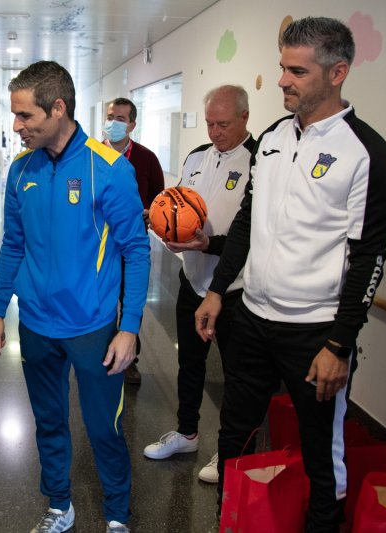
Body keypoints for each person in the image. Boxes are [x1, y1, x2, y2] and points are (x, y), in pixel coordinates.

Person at [195, 17, 386, 531]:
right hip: (252, 319)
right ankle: (232, 519)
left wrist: (340, 344)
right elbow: (246, 220)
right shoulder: (270, 138)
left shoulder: (366, 153)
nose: (283, 80)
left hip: (316, 334)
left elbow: (369, 257)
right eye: (282, 67)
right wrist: (219, 291)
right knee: (234, 435)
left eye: (297, 70)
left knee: (320, 455)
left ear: (337, 73)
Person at [0, 61, 150, 533]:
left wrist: (130, 327)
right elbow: (13, 244)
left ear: (58, 109)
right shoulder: (20, 172)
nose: (17, 127)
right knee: (49, 423)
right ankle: (60, 505)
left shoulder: (109, 170)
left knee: (103, 429)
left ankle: (118, 514)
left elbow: (136, 251)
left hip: (94, 327)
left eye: (25, 116)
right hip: (36, 324)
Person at [143, 85, 254, 485]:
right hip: (192, 282)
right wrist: (158, 219)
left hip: (235, 291)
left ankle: (231, 449)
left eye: (223, 124)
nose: (214, 131)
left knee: (236, 376)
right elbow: (177, 206)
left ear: (244, 117)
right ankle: (187, 433)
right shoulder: (195, 157)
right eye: (209, 123)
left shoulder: (259, 162)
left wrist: (211, 244)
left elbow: (254, 233)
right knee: (189, 364)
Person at [103, 98, 165, 385]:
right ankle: (101, 352)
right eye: (110, 116)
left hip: (131, 243)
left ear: (132, 124)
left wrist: (148, 212)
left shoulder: (147, 159)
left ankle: (129, 358)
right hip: (99, 245)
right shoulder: (92, 155)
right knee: (102, 301)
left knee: (130, 300)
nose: (113, 123)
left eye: (120, 118)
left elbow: (158, 200)